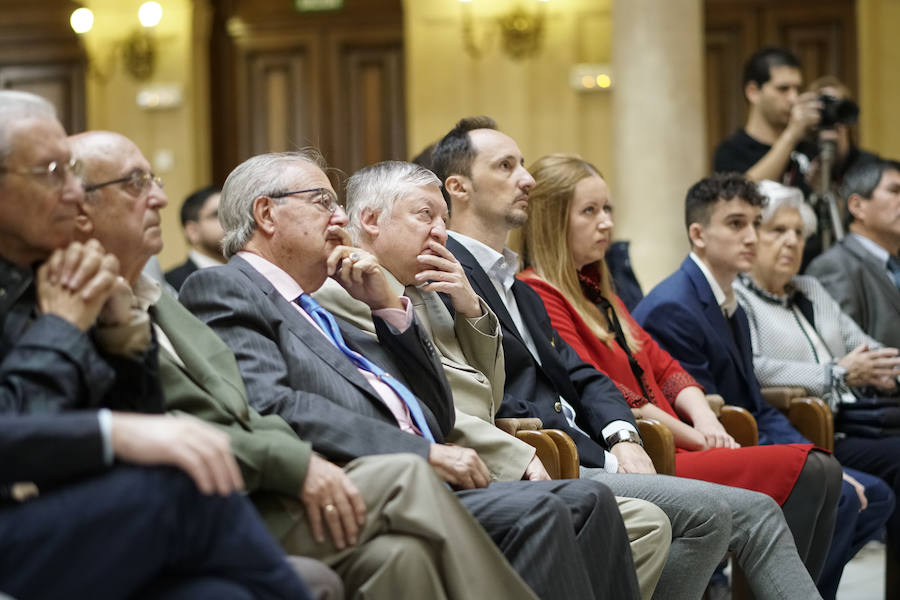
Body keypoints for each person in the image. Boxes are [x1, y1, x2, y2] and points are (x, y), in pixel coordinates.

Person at [179, 149, 642, 600]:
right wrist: (422, 453)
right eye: (322, 202)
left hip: (418, 474)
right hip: (362, 482)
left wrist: (389, 309)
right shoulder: (226, 287)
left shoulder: (319, 307)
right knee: (541, 510)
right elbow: (276, 404)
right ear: (267, 213)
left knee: (590, 503)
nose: (340, 218)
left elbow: (435, 413)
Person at [432, 115, 822, 600]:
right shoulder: (449, 278)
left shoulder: (518, 287)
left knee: (746, 507)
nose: (526, 179)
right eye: (507, 166)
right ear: (459, 187)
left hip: (600, 447)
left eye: (524, 165)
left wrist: (623, 436)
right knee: (721, 513)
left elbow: (589, 378)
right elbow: (482, 393)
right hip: (549, 458)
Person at [0, 89, 311, 598]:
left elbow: (139, 414)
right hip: (24, 521)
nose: (75, 194)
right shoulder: (51, 291)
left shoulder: (52, 275)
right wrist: (62, 333)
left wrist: (123, 339)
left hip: (70, 509)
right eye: (50, 172)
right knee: (181, 484)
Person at [313, 159, 672, 599]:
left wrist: (472, 310)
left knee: (646, 525)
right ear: (369, 220)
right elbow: (409, 404)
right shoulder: (345, 294)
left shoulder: (433, 286)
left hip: (492, 453)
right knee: (621, 518)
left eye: (444, 220)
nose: (440, 233)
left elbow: (491, 390)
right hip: (452, 463)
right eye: (425, 215)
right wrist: (516, 455)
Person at [519, 152, 839, 568]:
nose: (606, 223)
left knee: (824, 471)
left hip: (678, 439)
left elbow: (665, 365)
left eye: (608, 209)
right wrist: (694, 436)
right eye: (590, 211)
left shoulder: (596, 291)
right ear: (552, 219)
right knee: (814, 469)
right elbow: (602, 388)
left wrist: (705, 418)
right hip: (651, 450)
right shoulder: (538, 293)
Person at [632, 172, 888, 599]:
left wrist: (816, 454)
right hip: (690, 446)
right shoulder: (675, 306)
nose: (751, 236)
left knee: (869, 494)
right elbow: (714, 413)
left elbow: (754, 401)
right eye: (736, 224)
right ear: (698, 234)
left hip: (738, 430)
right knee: (838, 493)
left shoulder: (729, 299)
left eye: (754, 223)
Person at [735, 179, 900, 596]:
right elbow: (754, 368)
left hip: (852, 423)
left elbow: (863, 344)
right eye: (778, 231)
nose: (792, 242)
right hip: (801, 431)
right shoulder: (739, 298)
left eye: (799, 233)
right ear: (753, 237)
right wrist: (835, 373)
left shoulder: (811, 289)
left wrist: (884, 366)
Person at [806, 157, 900, 350]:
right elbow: (843, 353)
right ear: (857, 206)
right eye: (895, 191)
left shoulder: (895, 262)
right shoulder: (834, 266)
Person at [712, 47, 820, 186]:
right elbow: (743, 194)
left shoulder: (808, 147)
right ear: (753, 92)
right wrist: (791, 136)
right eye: (783, 89)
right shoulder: (730, 151)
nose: (794, 98)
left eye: (797, 89)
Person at [165, 185, 225, 291]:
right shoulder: (170, 285)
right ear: (193, 231)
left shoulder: (248, 275)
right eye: (217, 215)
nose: (228, 221)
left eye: (230, 214)